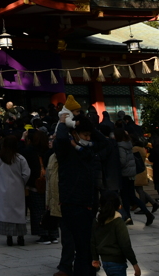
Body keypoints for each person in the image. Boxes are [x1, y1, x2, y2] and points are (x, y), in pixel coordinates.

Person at [55, 110, 107, 276]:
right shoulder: (65, 150)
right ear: (75, 134)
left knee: (87, 248)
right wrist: (64, 123)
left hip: (89, 203)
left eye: (89, 135)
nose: (88, 139)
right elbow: (62, 138)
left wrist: (88, 125)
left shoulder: (88, 151)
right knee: (81, 247)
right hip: (72, 203)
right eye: (85, 135)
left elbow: (105, 142)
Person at [0, 133, 30, 246]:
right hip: (17, 188)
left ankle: (8, 236)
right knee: (19, 212)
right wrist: (21, 182)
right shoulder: (20, 158)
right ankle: (20, 236)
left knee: (5, 212)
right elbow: (26, 173)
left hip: (1, 187)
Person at [90, 191, 140, 276]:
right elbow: (125, 245)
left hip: (105, 262)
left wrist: (95, 258)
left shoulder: (97, 220)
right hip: (117, 262)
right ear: (119, 206)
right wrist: (134, 264)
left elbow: (93, 241)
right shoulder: (118, 222)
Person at [115, 129, 153, 226]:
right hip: (131, 173)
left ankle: (136, 215)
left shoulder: (120, 146)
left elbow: (122, 161)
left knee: (127, 196)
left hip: (125, 174)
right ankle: (130, 217)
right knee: (129, 196)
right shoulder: (128, 145)